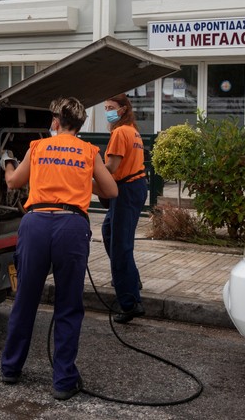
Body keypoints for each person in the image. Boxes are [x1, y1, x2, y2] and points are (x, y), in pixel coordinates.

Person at [0, 97, 117, 401]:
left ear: (55, 122)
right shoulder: (89, 151)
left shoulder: (38, 147)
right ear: (80, 124)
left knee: (25, 298)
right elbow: (111, 190)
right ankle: (63, 381)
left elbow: (13, 182)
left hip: (35, 224)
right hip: (71, 227)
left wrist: (7, 161)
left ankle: (10, 368)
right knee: (68, 304)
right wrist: (84, 178)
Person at [101, 93, 148, 324]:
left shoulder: (120, 132)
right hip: (134, 187)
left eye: (111, 107)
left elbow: (111, 167)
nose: (107, 111)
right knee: (108, 231)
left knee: (120, 246)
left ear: (123, 109)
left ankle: (130, 303)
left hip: (127, 189)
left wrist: (88, 169)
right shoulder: (132, 131)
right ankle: (131, 278)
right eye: (106, 108)